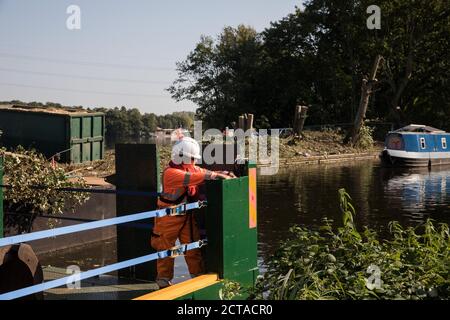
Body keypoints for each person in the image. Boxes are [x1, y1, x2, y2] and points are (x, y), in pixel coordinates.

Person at [151, 136, 233, 289]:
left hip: (186, 216)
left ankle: (197, 278)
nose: (195, 162)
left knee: (193, 248)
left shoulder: (189, 168)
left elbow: (204, 171)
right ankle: (163, 281)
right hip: (168, 217)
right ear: (183, 158)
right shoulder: (171, 173)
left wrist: (226, 173)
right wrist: (216, 175)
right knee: (166, 249)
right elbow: (196, 176)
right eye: (193, 159)